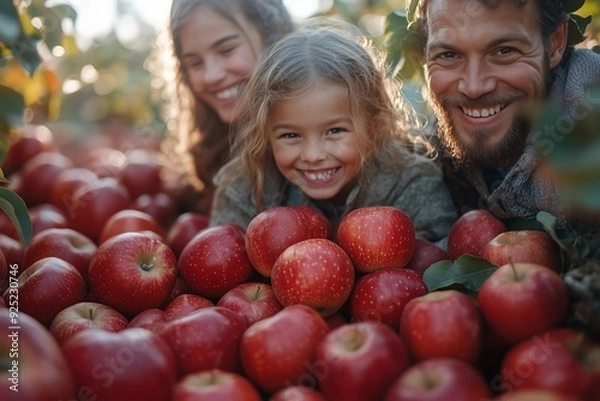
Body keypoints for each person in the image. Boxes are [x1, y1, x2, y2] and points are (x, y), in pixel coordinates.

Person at [209, 19, 458, 242]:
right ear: (264, 135)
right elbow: (222, 260)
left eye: (335, 131)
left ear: (375, 125)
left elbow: (437, 258)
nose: (313, 154)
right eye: (290, 136)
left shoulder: (411, 184)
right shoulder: (248, 189)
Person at [411, 0, 600, 257]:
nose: (474, 87)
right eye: (449, 55)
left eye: (504, 51)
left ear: (555, 42)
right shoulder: (429, 160)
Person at [157, 0, 294, 214]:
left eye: (227, 50)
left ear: (277, 36)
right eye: (195, 63)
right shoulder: (213, 157)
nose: (212, 76)